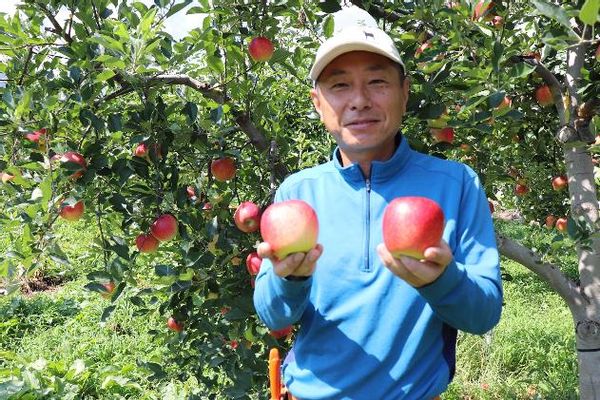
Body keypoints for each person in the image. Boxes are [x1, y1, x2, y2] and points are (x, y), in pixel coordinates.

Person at [253, 7, 503, 400]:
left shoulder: (455, 184)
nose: (360, 100)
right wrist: (290, 280)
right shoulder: (297, 193)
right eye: (339, 86)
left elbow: (484, 314)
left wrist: (441, 280)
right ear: (318, 104)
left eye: (376, 82)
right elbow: (272, 315)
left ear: (404, 93)